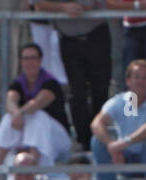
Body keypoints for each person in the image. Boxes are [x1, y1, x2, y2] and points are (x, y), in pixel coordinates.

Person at [30, 2, 110, 150]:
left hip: (96, 34)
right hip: (68, 40)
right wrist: (63, 7)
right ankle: (84, 141)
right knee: (77, 92)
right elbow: (39, 4)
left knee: (100, 89)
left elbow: (89, 5)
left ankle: (100, 139)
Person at [89, 59, 146, 180]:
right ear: (128, 81)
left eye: (144, 78)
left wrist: (126, 142)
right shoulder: (119, 101)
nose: (140, 81)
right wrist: (111, 146)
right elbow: (96, 123)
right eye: (136, 77)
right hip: (122, 157)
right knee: (98, 141)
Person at [0, 41, 71, 168]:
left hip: (57, 137)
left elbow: (37, 102)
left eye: (33, 58)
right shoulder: (19, 82)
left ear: (40, 60)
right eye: (26, 58)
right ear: (21, 61)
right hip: (30, 135)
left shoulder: (51, 82)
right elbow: (10, 100)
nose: (29, 62)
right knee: (8, 118)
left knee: (37, 116)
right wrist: (15, 113)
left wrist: (20, 113)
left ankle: (34, 166)